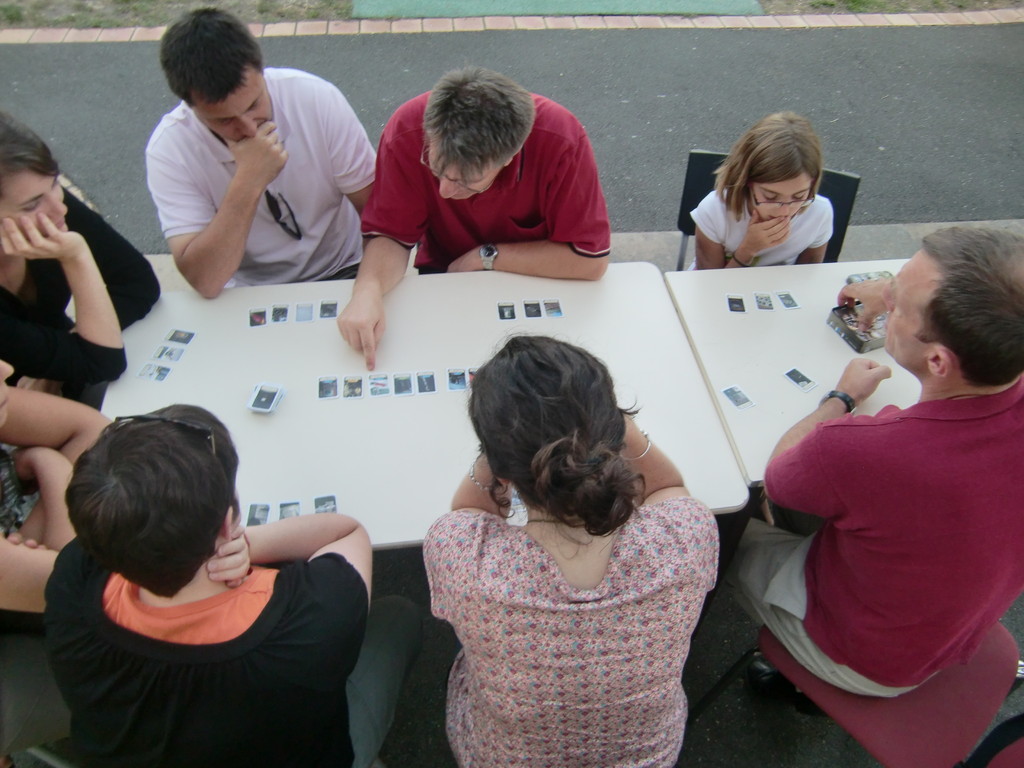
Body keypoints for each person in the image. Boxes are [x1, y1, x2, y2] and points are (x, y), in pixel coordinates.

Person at [728, 227, 1024, 699]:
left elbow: (780, 478)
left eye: (899, 305)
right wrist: (895, 296)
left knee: (722, 535)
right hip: (952, 629)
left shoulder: (865, 449)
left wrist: (840, 398)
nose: (887, 298)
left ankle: (800, 680)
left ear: (940, 362)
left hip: (869, 660)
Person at [45, 405, 421, 768]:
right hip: (308, 744)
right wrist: (248, 543)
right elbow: (346, 531)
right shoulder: (310, 620)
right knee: (400, 615)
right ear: (227, 527)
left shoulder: (73, 579)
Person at [424, 336, 718, 767]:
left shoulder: (462, 555)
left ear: (502, 470)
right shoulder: (686, 538)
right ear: (614, 440)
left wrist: (496, 453)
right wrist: (625, 431)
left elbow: (468, 511)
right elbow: (668, 488)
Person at [339, 66, 612, 369]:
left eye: (465, 182)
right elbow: (391, 235)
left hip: (539, 281)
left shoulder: (561, 140)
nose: (443, 191)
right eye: (435, 168)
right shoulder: (406, 129)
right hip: (446, 276)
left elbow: (589, 260)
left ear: (510, 157)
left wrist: (487, 257)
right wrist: (367, 289)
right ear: (430, 131)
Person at [146, 8, 375, 298]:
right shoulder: (169, 150)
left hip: (345, 267)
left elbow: (377, 213)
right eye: (224, 120)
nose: (250, 129)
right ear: (189, 107)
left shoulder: (314, 98)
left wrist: (368, 287)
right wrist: (249, 180)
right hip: (249, 291)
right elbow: (205, 280)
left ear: (261, 72)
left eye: (254, 104)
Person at [0, 111, 159, 400]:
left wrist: (63, 357)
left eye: (55, 184)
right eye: (32, 204)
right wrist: (76, 255)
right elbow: (104, 362)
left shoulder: (44, 202)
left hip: (52, 373)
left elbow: (138, 281)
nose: (59, 209)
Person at [0, 356, 110, 768]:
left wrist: (27, 542)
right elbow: (77, 579)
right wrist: (49, 463)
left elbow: (94, 431)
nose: (6, 367)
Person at [692, 112, 833, 269]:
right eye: (771, 197)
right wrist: (747, 250)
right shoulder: (715, 211)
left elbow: (809, 277)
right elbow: (710, 287)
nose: (785, 212)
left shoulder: (819, 212)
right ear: (747, 181)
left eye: (798, 196)